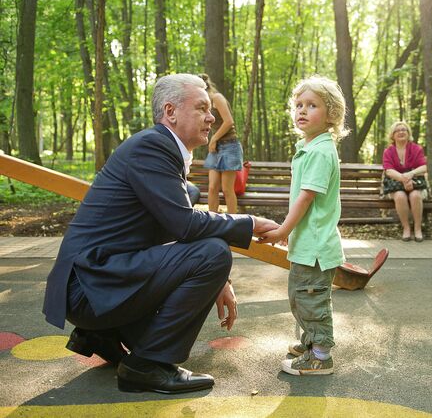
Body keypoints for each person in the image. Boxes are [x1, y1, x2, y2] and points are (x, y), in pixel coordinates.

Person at [42, 73, 279, 394]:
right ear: (170, 112)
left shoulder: (163, 151)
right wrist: (248, 223)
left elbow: (175, 224)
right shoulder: (152, 147)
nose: (212, 117)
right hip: (90, 289)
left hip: (99, 285)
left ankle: (103, 333)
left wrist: (223, 280)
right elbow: (185, 225)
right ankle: (148, 365)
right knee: (213, 254)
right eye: (202, 108)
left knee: (195, 201)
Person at [258, 76, 347, 375]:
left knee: (312, 299)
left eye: (312, 105)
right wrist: (291, 232)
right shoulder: (309, 147)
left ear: (331, 114)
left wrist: (283, 229)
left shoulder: (321, 151)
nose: (302, 111)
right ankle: (311, 341)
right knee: (300, 296)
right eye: (298, 105)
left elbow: (307, 197)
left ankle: (321, 355)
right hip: (306, 243)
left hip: (317, 247)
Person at [200, 73, 242, 213]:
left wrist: (213, 138)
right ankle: (212, 221)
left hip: (230, 146)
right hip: (216, 148)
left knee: (227, 189)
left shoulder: (216, 98)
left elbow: (229, 121)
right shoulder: (205, 104)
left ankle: (233, 224)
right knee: (212, 188)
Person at [382, 121, 428, 242]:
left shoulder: (416, 149)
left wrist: (411, 174)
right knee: (400, 196)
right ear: (393, 135)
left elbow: (424, 167)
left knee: (415, 195)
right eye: (398, 130)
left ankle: (417, 228)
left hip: (416, 184)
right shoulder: (388, 151)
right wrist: (404, 179)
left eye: (404, 130)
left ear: (408, 133)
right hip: (395, 185)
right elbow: (389, 171)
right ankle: (406, 228)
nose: (401, 132)